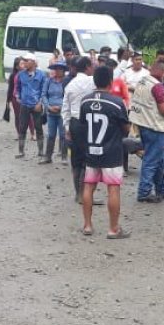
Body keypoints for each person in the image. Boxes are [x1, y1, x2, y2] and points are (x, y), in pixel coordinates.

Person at [78, 66, 132, 239]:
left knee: (88, 187)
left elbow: (83, 126)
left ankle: (87, 225)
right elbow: (126, 129)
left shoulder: (85, 101)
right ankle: (113, 228)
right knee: (113, 189)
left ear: (94, 81)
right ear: (111, 81)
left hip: (91, 151)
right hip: (112, 152)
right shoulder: (117, 103)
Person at [132, 60, 164, 203]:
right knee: (152, 159)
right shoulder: (157, 86)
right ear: (162, 71)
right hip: (155, 126)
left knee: (160, 159)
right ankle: (144, 192)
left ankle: (161, 188)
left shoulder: (143, 81)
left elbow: (150, 101)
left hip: (142, 123)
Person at [63, 57, 97, 202]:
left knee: (76, 160)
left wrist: (66, 128)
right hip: (89, 123)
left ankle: (78, 193)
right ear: (88, 67)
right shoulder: (92, 82)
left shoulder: (70, 85)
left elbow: (65, 109)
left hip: (74, 124)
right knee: (88, 160)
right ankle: (85, 194)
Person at [13, 54, 47, 160]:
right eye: (24, 61)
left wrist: (40, 103)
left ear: (33, 62)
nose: (24, 63)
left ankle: (41, 151)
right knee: (22, 127)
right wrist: (18, 96)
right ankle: (21, 151)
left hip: (36, 105)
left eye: (27, 61)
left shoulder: (41, 75)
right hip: (24, 104)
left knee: (38, 128)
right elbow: (17, 87)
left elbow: (43, 90)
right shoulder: (21, 75)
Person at [41, 62, 67, 164]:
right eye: (56, 69)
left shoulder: (66, 82)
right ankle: (48, 157)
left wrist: (61, 107)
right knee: (51, 135)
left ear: (63, 71)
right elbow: (43, 95)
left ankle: (64, 157)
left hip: (62, 112)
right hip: (50, 112)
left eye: (60, 69)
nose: (57, 71)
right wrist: (48, 106)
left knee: (63, 135)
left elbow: (68, 97)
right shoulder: (49, 81)